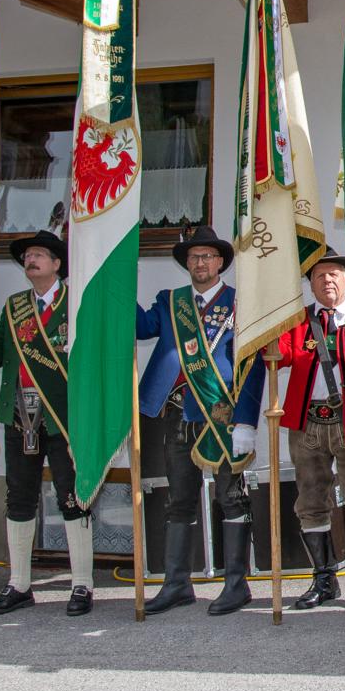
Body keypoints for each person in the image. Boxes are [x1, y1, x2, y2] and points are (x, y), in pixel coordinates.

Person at [235, 249, 345, 614]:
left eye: (334, 274)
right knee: (311, 502)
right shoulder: (299, 322)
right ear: (310, 284)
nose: (327, 280)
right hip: (308, 424)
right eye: (319, 275)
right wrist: (266, 319)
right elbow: (280, 355)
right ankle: (324, 580)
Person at [135, 226, 247, 617]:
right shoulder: (170, 302)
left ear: (220, 263)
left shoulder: (239, 302)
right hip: (176, 412)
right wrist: (114, 286)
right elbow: (140, 328)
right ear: (187, 264)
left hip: (219, 412)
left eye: (207, 257)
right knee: (178, 499)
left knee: (229, 497)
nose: (200, 263)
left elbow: (248, 364)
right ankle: (176, 583)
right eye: (194, 257)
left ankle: (236, 584)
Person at [0, 229, 96, 617]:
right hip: (20, 414)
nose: (30, 260)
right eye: (27, 255)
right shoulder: (15, 307)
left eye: (38, 254)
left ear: (57, 264)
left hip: (65, 418)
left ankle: (82, 583)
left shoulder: (76, 303)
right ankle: (19, 584)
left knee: (72, 496)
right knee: (19, 497)